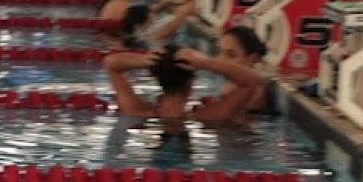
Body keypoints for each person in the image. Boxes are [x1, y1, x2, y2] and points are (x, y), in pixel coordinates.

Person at [103, 27, 268, 123]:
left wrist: (144, 60)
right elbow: (253, 80)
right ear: (191, 82)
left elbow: (111, 64)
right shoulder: (209, 117)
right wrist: (206, 63)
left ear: (157, 79)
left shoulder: (136, 111)